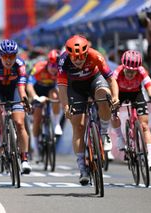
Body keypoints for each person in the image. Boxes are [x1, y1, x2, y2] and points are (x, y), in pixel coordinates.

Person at [57, 35, 119, 185]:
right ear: (69, 55)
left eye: (81, 57)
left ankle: (104, 134)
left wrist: (116, 96)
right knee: (78, 126)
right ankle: (82, 167)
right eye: (75, 57)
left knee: (104, 97)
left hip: (94, 80)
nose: (78, 60)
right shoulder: (63, 62)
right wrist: (65, 107)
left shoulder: (95, 55)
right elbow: (62, 89)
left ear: (86, 53)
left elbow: (111, 79)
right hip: (75, 87)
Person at [0, 39, 32, 174]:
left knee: (20, 123)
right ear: (0, 56)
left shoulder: (20, 64)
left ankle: (24, 159)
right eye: (5, 57)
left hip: (14, 90)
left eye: (12, 56)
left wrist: (25, 101)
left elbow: (21, 87)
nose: (9, 60)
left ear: (16, 55)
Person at [111, 50, 151, 170]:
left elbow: (150, 88)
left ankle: (150, 158)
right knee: (113, 113)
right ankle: (120, 138)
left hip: (136, 94)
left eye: (134, 71)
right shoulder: (117, 71)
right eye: (128, 70)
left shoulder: (142, 72)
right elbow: (112, 86)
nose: (131, 74)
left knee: (144, 126)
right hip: (120, 92)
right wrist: (115, 100)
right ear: (123, 67)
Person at [26, 49, 62, 162]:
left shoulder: (60, 70)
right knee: (37, 117)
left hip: (50, 90)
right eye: (52, 65)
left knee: (56, 97)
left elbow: (62, 86)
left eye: (56, 66)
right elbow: (29, 85)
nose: (54, 68)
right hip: (37, 91)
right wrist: (35, 97)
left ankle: (56, 123)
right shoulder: (39, 67)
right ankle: (35, 146)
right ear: (47, 63)